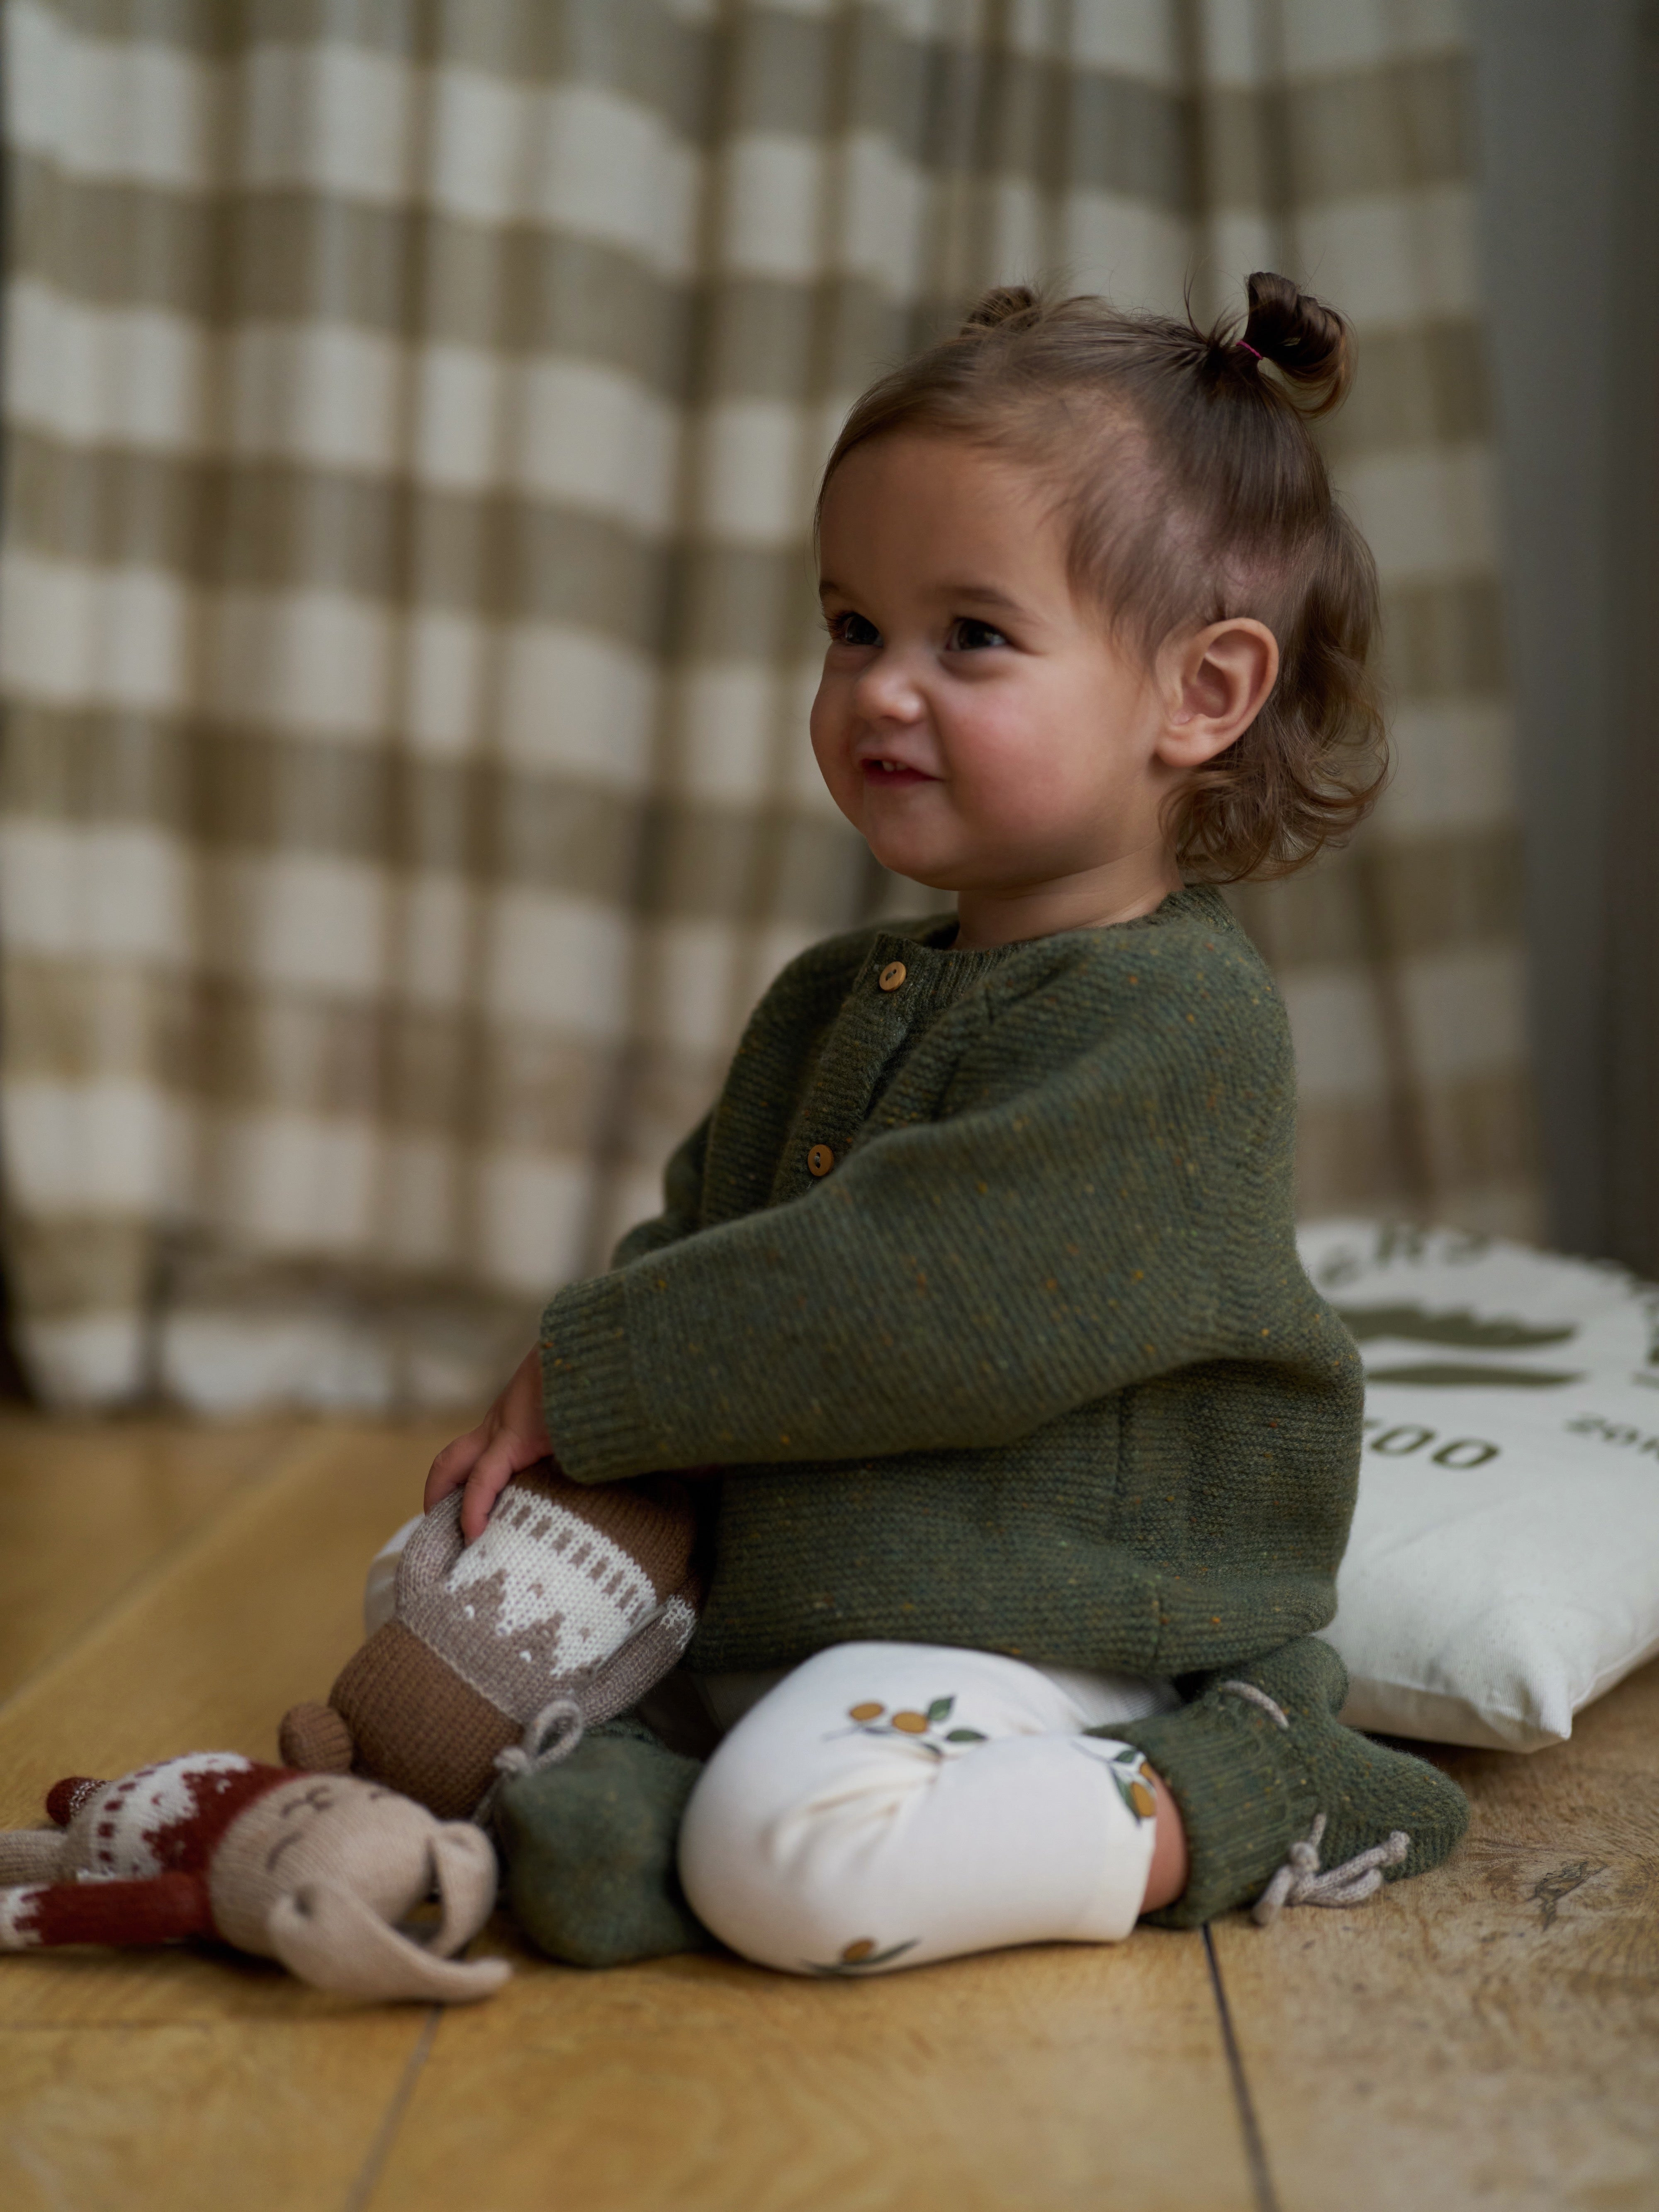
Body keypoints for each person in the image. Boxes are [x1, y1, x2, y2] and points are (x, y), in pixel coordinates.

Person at [422, 274, 1469, 1975]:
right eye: (851, 627)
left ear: (1199, 695)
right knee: (487, 1720)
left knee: (795, 1864)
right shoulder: (832, 997)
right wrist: (599, 1475)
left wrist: (603, 1371)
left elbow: (933, 1287)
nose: (879, 689)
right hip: (814, 1601)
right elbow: (707, 1242)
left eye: (968, 637)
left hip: (1056, 1615)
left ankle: (1245, 1779)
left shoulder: (1180, 1023)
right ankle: (639, 1808)